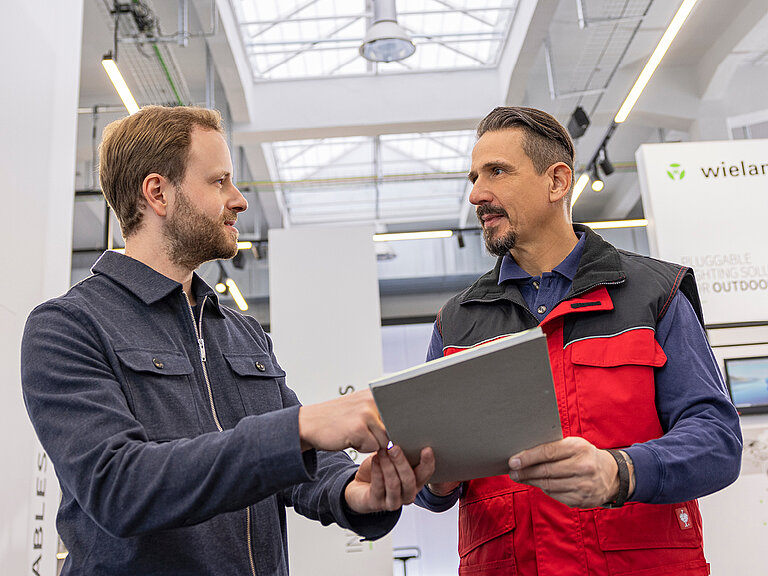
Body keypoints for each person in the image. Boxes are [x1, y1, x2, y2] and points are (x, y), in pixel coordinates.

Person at [21, 105, 434, 576]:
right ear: (158, 193)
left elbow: (298, 464)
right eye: (219, 182)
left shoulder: (240, 331)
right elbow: (118, 488)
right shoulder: (68, 327)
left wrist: (352, 491)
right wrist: (299, 426)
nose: (238, 199)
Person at [415, 106, 742, 575]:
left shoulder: (654, 294)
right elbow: (433, 489)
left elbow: (717, 440)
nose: (477, 194)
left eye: (497, 172)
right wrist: (436, 479)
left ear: (557, 182)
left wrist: (620, 471)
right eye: (474, 177)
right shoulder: (457, 322)